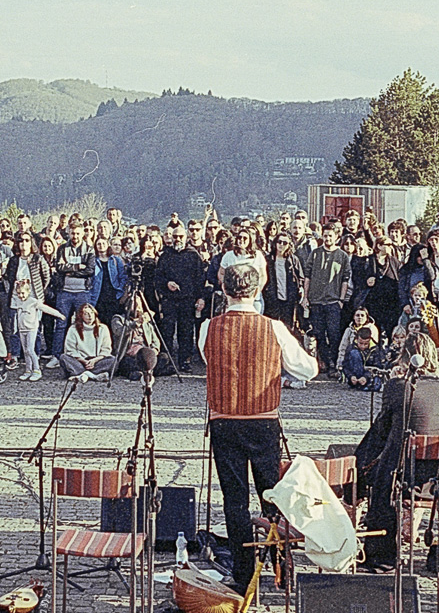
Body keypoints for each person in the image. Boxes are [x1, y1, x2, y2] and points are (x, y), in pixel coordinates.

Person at [198, 264, 318, 596]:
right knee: (274, 497)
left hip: (224, 421)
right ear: (257, 291)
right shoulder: (274, 328)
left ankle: (242, 572)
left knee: (234, 501)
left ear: (224, 290)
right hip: (263, 421)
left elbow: (209, 361)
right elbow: (308, 369)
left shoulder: (209, 327)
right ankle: (281, 568)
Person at [356, 333, 439, 577]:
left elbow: (382, 430)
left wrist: (361, 460)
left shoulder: (398, 386)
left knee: (378, 474)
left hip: (408, 478)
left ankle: (382, 555)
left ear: (405, 358)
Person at [156, 222, 207, 373]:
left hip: (187, 300)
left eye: (180, 236)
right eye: (175, 236)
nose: (178, 239)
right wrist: (167, 283)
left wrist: (200, 298)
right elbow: (158, 278)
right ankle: (168, 361)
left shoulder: (194, 255)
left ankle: (184, 361)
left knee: (186, 332)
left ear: (186, 237)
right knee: (167, 331)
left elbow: (200, 279)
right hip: (169, 300)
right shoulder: (165, 256)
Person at [304, 222, 350, 378]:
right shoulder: (315, 253)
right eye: (325, 236)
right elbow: (307, 276)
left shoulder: (342, 256)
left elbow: (345, 279)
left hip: (333, 301)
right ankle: (324, 361)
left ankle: (334, 363)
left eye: (330, 236)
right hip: (316, 300)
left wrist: (341, 300)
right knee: (319, 333)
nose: (327, 238)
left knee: (334, 333)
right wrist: (305, 296)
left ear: (336, 237)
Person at [50, 224, 96, 369]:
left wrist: (70, 270)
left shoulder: (89, 250)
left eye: (77, 233)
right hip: (65, 291)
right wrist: (77, 267)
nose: (75, 236)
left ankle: (84, 355)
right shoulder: (62, 248)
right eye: (72, 233)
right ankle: (56, 356)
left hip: (82, 291)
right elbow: (59, 267)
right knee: (61, 324)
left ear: (82, 234)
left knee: (84, 323)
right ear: (68, 233)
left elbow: (89, 270)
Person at [12, 279, 66, 381]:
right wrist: (16, 328)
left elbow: (46, 308)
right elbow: (17, 316)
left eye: (23, 293)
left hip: (31, 329)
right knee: (25, 351)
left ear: (28, 292)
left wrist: (59, 314)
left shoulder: (33, 302)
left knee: (30, 350)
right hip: (22, 329)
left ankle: (37, 370)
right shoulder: (18, 302)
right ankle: (28, 370)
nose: (21, 295)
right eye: (18, 293)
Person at [61, 303, 114, 382]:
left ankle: (83, 375)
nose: (90, 316)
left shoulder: (103, 328)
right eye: (86, 314)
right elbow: (70, 349)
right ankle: (92, 375)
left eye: (91, 313)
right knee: (64, 357)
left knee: (112, 360)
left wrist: (94, 360)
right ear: (81, 316)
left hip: (96, 361)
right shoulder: (73, 329)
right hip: (80, 361)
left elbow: (106, 349)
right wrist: (83, 361)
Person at [262, 232, 304, 330]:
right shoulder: (268, 260)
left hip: (289, 300)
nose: (281, 245)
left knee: (287, 328)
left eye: (285, 243)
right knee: (271, 328)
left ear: (289, 245)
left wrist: (299, 290)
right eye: (279, 242)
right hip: (272, 300)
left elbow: (300, 277)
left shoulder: (293, 260)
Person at [89, 237, 127, 326]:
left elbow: (123, 276)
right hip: (98, 296)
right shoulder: (93, 261)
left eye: (103, 244)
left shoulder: (115, 260)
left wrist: (120, 290)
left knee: (113, 323)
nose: (101, 246)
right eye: (99, 244)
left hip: (113, 296)